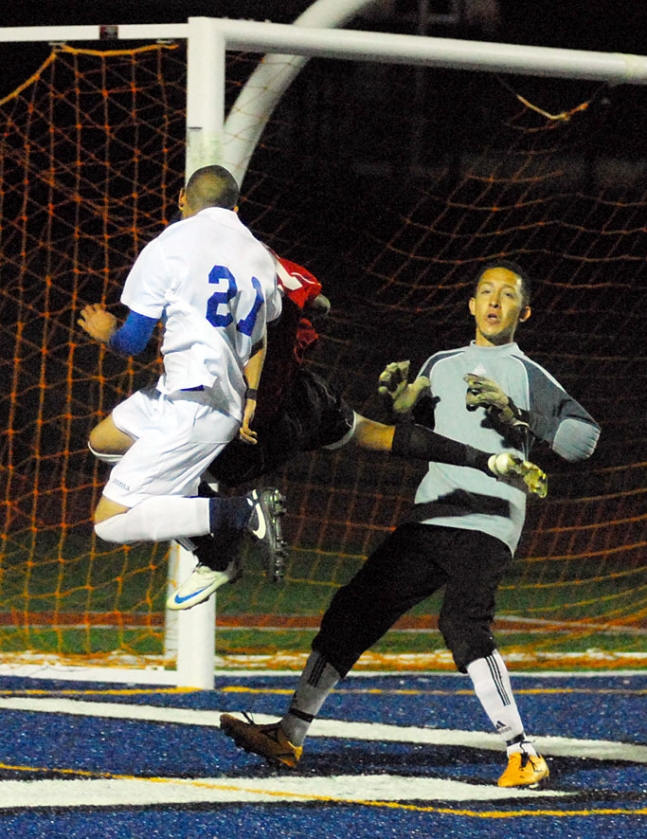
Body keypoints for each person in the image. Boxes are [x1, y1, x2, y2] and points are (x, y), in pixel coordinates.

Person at [219, 259, 600, 788]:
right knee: (353, 607)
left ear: (524, 311)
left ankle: (523, 752)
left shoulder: (529, 375)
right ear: (470, 304)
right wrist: (400, 404)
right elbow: (424, 428)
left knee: (462, 624)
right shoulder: (441, 362)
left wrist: (521, 413)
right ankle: (289, 735)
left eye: (507, 295)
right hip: (432, 514)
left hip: (488, 520)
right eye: (484, 292)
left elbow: (584, 440)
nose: (493, 301)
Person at [168, 251, 549, 610]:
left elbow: (138, 332)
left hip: (257, 420)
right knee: (373, 434)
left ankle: (223, 548)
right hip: (306, 393)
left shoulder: (187, 261)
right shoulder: (261, 257)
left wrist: (116, 333)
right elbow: (321, 304)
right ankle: (491, 461)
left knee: (151, 469)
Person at [78, 164, 287, 583]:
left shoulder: (168, 245)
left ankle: (243, 512)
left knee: (108, 523)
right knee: (103, 441)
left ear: (180, 199)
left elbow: (132, 341)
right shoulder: (263, 258)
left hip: (194, 407)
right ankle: (216, 543)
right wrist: (252, 398)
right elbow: (262, 340)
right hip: (188, 398)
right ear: (236, 207)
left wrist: (106, 334)